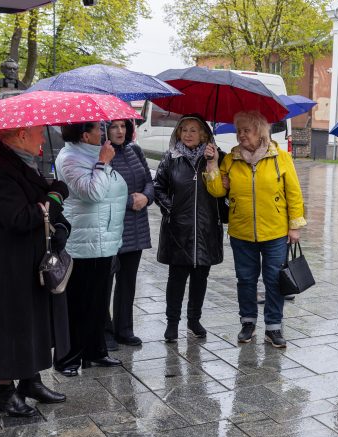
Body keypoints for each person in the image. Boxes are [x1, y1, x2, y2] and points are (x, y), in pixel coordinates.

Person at [0, 125, 69, 416]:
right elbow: (18, 218)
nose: (42, 138)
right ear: (22, 134)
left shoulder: (23, 162)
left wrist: (51, 190)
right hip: (11, 261)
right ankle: (3, 392)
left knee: (33, 320)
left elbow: (37, 200)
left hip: (32, 256)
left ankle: (30, 380)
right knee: (11, 323)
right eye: (39, 133)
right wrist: (53, 199)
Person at [205, 110, 305, 347]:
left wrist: (295, 226)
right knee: (246, 279)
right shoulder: (230, 158)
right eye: (239, 130)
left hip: (275, 232)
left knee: (273, 279)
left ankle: (273, 326)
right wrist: (212, 164)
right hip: (242, 231)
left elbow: (294, 193)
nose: (241, 135)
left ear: (260, 132)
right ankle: (247, 322)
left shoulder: (281, 158)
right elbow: (217, 191)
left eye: (246, 131)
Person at [54, 121, 128, 375]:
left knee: (97, 303)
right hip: (83, 244)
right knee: (79, 304)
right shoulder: (69, 158)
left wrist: (102, 161)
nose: (103, 132)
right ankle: (68, 359)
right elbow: (92, 193)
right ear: (85, 135)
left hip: (103, 240)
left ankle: (95, 351)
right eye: (98, 129)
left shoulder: (92, 153)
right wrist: (103, 162)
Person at [155, 115, 224, 343]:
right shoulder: (171, 158)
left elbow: (225, 188)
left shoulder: (216, 156)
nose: (187, 134)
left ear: (204, 134)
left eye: (193, 130)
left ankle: (194, 320)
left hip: (205, 228)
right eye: (183, 130)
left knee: (200, 277)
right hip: (179, 229)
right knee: (176, 278)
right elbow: (158, 187)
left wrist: (213, 162)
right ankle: (172, 323)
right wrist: (170, 208)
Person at [104, 119, 154, 349]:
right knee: (104, 283)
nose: (120, 131)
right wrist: (127, 201)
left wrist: (145, 197)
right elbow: (99, 190)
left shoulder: (135, 150)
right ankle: (105, 331)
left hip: (136, 227)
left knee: (127, 282)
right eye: (114, 126)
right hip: (110, 227)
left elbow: (149, 182)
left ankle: (124, 329)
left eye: (123, 126)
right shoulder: (101, 154)